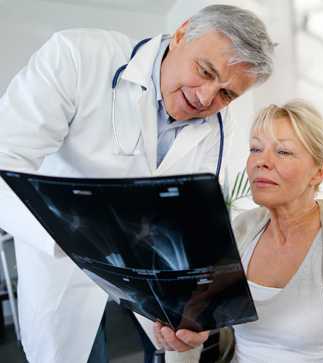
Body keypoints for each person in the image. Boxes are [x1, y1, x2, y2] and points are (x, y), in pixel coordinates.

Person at [0, 4, 274, 363]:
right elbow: (4, 161)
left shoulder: (220, 132)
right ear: (181, 34)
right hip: (64, 268)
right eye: (204, 71)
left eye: (227, 94)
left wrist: (199, 312)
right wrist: (74, 234)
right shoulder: (78, 58)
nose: (206, 98)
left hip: (151, 291)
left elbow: (194, 224)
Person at [154, 100, 323, 363]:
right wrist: (181, 337)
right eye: (255, 149)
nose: (262, 161)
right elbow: (195, 325)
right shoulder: (242, 229)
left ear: (318, 172)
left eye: (283, 152)